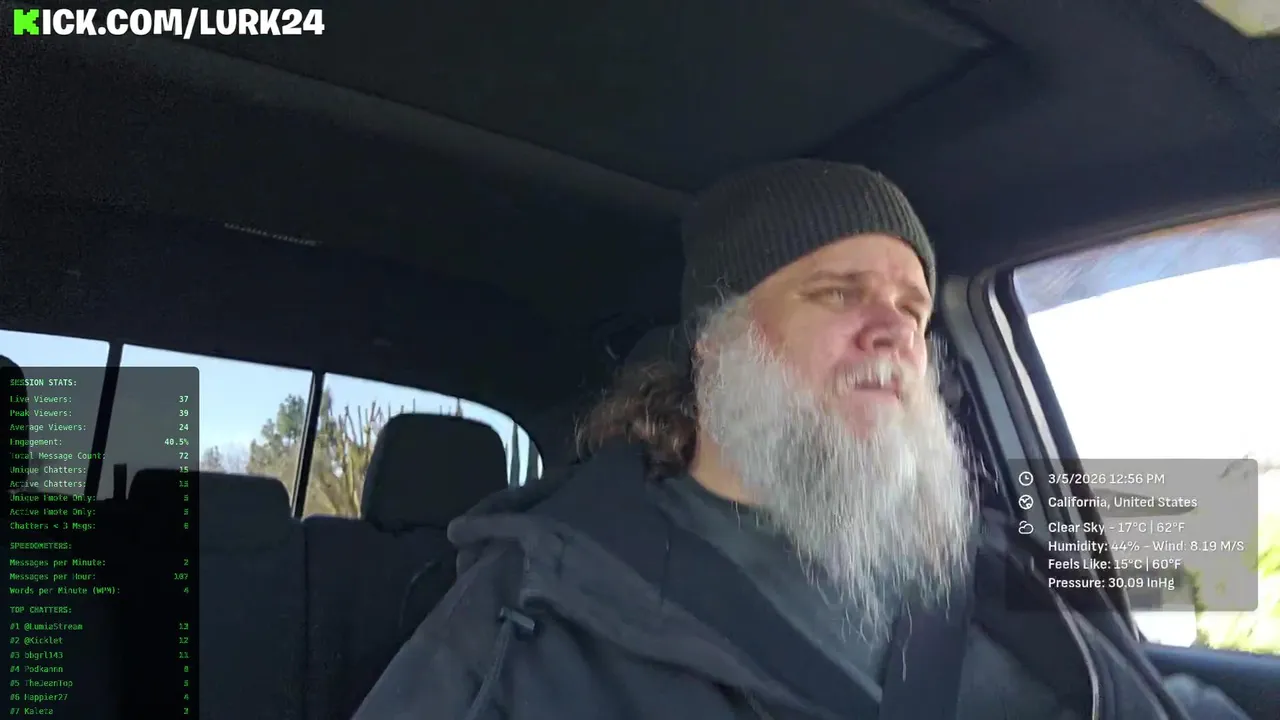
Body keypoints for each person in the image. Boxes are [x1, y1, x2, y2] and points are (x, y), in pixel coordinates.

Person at [353, 160, 1247, 719]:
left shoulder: (1003, 561)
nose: (893, 330)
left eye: (912, 308)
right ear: (719, 343)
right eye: (838, 294)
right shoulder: (535, 604)